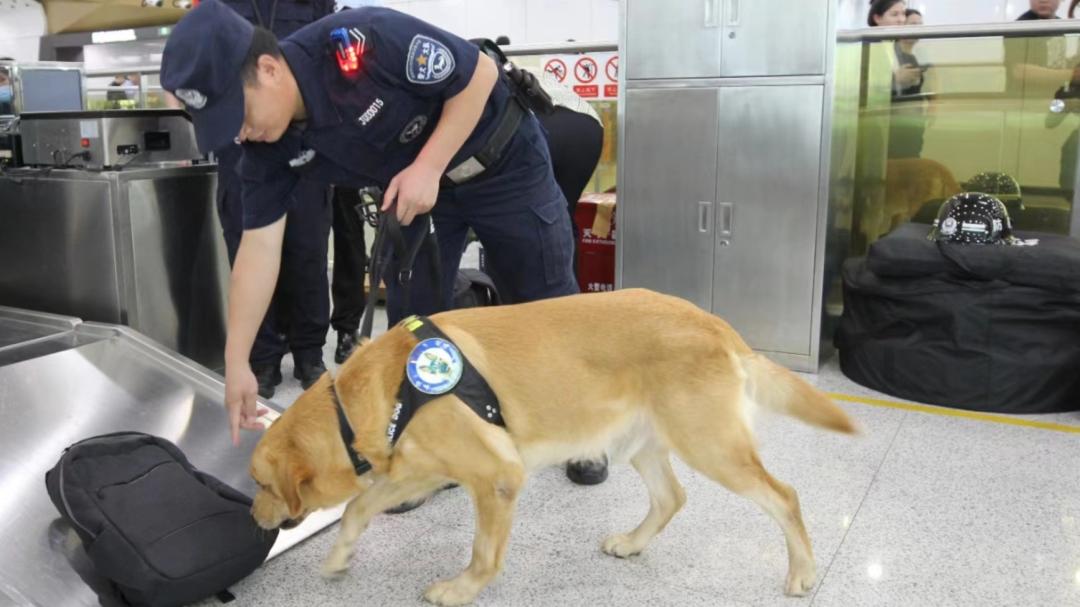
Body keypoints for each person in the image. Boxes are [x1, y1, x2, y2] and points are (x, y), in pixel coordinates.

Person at [159, 1, 579, 449]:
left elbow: (478, 75)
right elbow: (258, 250)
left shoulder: (364, 38)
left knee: (545, 299)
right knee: (415, 326)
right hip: (416, 197)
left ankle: (578, 425)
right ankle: (434, 448)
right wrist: (237, 360)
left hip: (503, 166)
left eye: (238, 115)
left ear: (267, 69)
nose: (239, 134)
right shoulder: (267, 151)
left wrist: (429, 166)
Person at [213, 0, 336, 398]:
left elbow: (326, 58)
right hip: (242, 141)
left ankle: (309, 352)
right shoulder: (219, 7)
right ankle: (262, 358)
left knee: (309, 246)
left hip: (303, 135)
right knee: (246, 242)